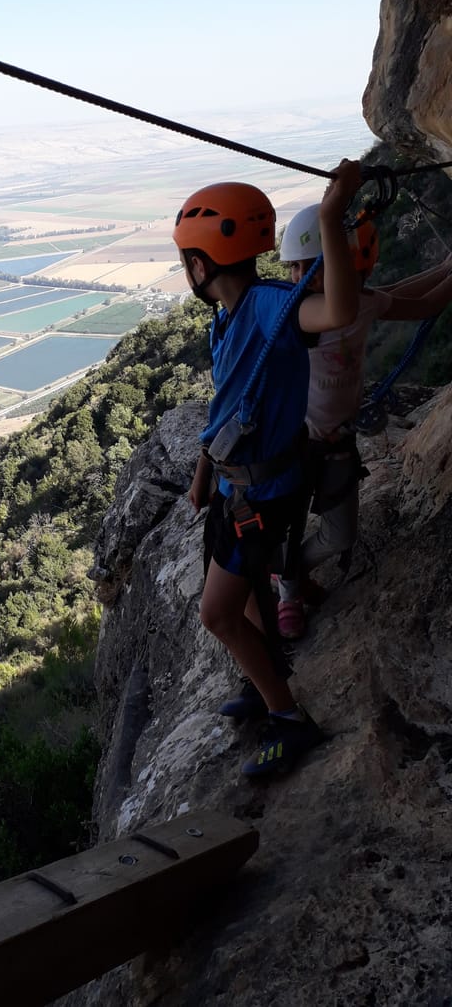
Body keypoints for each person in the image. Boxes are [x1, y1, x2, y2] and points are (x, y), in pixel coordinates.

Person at [176, 159, 362, 776]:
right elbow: (229, 398)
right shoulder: (225, 320)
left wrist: (333, 218)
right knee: (248, 600)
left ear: (199, 265)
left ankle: (289, 718)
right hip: (237, 487)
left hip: (268, 492)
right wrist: (205, 469)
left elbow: (334, 311)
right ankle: (262, 687)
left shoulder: (271, 307)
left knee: (217, 614)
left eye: (186, 262)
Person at [274, 204, 452, 639]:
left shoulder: (361, 303)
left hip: (335, 443)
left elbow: (416, 299)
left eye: (310, 267)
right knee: (283, 529)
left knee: (340, 535)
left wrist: (447, 268)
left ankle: (288, 573)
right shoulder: (295, 315)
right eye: (294, 268)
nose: (299, 278)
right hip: (295, 444)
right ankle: (287, 590)